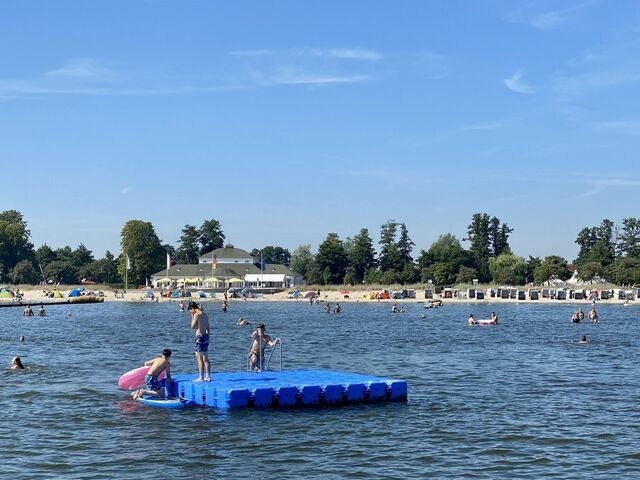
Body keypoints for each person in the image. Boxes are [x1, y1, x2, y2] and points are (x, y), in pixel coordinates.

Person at [188, 301, 211, 382]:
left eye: (190, 311)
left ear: (192, 309)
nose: (190, 312)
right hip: (206, 336)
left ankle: (201, 377)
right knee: (206, 358)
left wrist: (192, 316)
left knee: (199, 358)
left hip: (199, 337)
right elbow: (208, 327)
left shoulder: (196, 314)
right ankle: (208, 376)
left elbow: (192, 326)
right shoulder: (204, 314)